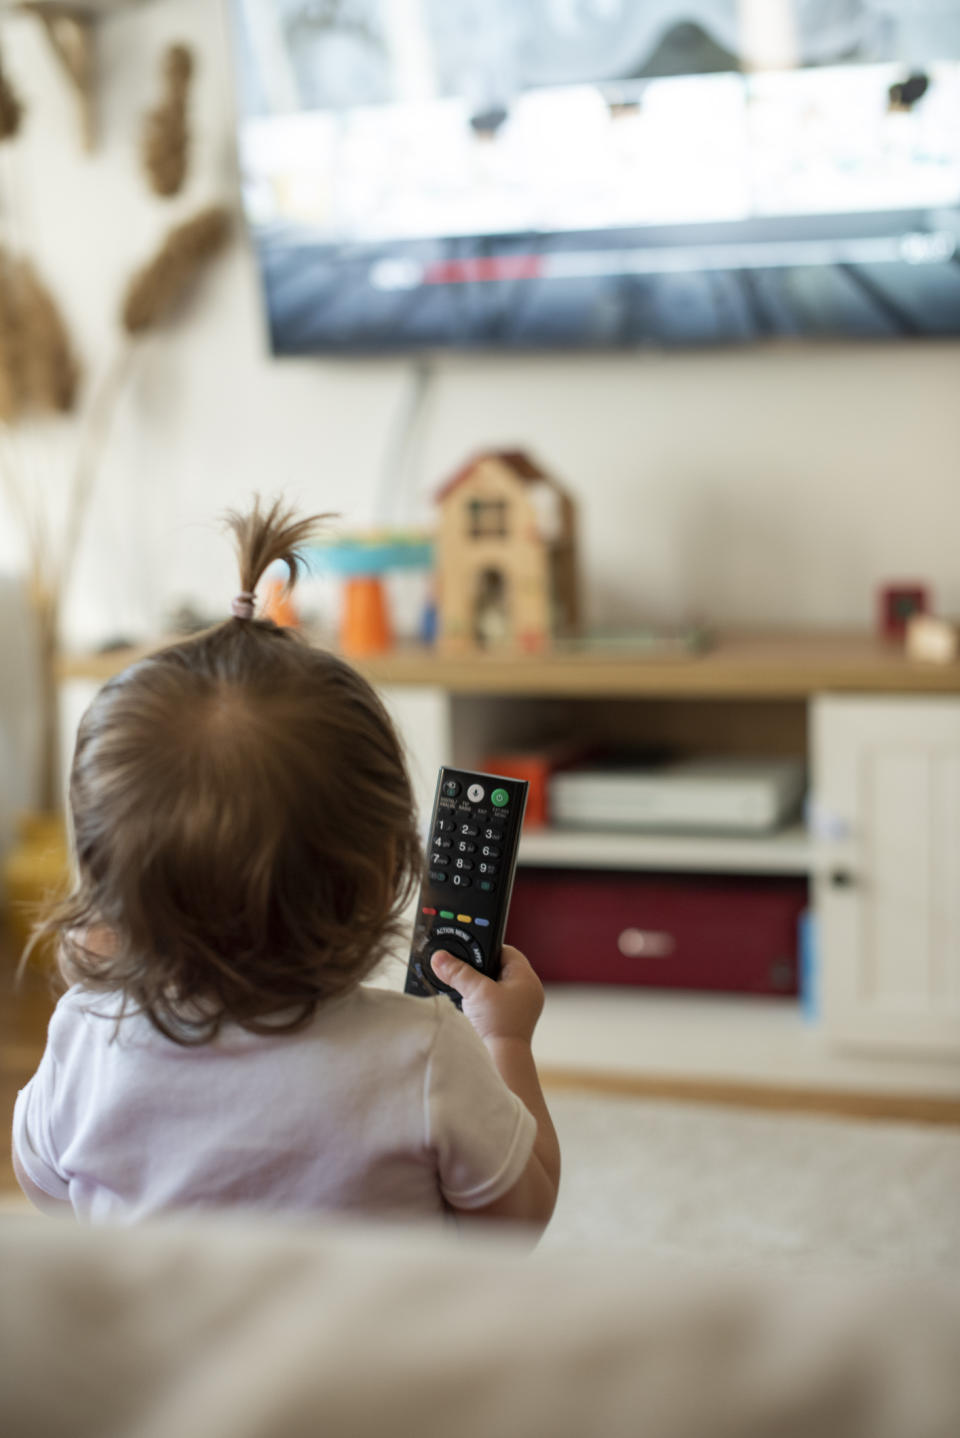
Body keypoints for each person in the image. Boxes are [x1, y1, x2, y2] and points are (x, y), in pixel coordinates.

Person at [12, 499, 560, 1233]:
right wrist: (506, 1041)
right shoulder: (424, 1050)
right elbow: (515, 1224)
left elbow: (50, 1190)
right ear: (382, 870)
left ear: (107, 886)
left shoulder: (85, 1032)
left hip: (164, 1351)